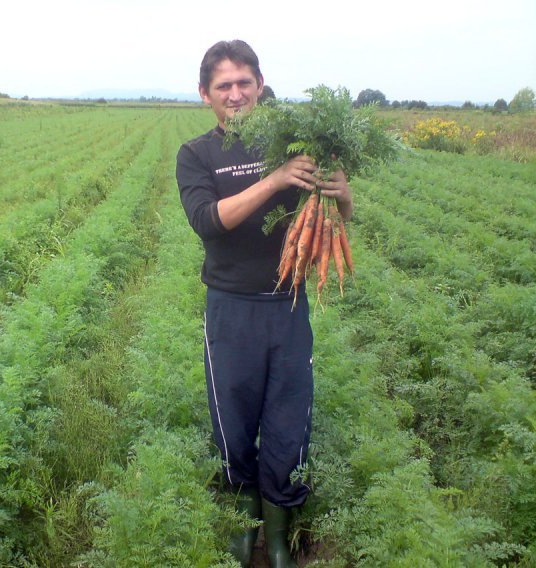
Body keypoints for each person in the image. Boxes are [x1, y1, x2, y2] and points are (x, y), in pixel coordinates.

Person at [175, 40, 353, 567]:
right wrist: (273, 180)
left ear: (260, 85)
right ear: (205, 93)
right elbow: (207, 221)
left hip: (288, 304)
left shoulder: (289, 144)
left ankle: (277, 531)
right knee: (232, 417)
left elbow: (333, 218)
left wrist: (339, 195)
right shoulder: (197, 155)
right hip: (230, 308)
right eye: (223, 85)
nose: (235, 94)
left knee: (287, 418)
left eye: (244, 83)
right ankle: (243, 521)